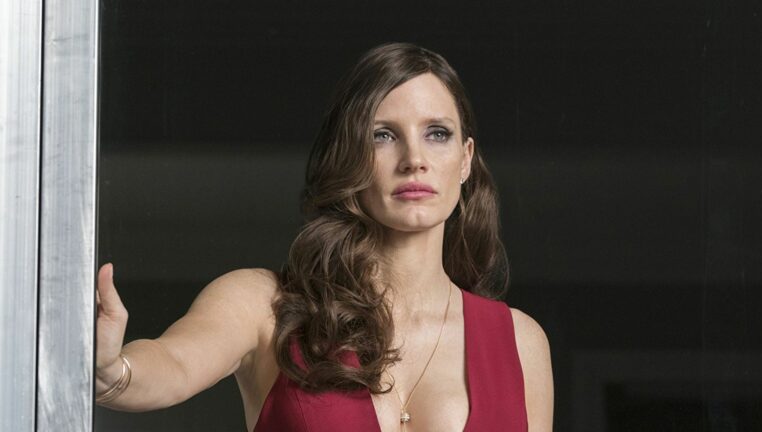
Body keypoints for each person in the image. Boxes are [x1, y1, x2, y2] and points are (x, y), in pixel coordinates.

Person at [96, 42, 553, 431]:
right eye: (382, 135)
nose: (414, 158)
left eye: (437, 133)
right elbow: (173, 365)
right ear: (349, 155)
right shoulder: (263, 306)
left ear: (466, 158)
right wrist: (112, 370)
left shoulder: (520, 343)